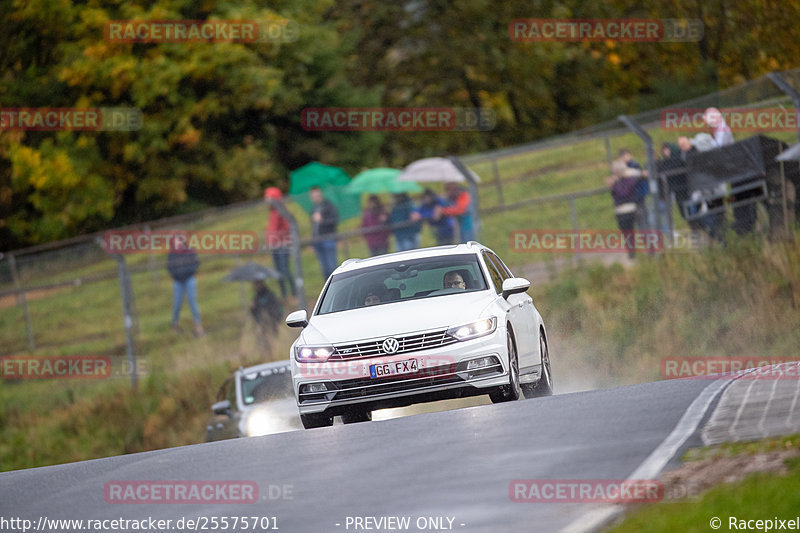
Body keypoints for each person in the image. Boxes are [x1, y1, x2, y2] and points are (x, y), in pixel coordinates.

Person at [605, 160, 645, 259]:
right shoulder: (619, 181)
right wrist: (613, 185)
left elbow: (623, 192)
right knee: (627, 234)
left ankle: (646, 251)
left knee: (636, 231)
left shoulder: (629, 180)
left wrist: (614, 185)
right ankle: (632, 253)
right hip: (620, 210)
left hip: (629, 209)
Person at [167, 234, 203, 336]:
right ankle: (175, 325)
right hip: (178, 281)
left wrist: (190, 272)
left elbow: (196, 263)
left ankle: (198, 325)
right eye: (175, 241)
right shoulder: (172, 254)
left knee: (192, 301)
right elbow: (169, 267)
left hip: (189, 279)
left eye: (178, 241)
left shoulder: (190, 251)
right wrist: (176, 275)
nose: (177, 243)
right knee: (177, 304)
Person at [264, 187, 295, 299]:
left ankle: (294, 293)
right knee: (278, 272)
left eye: (269, 198)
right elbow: (271, 229)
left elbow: (286, 229)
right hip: (275, 246)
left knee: (285, 270)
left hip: (283, 245)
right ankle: (284, 295)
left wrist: (277, 238)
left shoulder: (282, 211)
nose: (267, 201)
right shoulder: (272, 212)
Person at [309, 186, 339, 279]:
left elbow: (334, 220)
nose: (315, 197)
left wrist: (323, 220)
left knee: (331, 265)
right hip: (318, 240)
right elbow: (314, 228)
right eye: (313, 196)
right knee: (324, 268)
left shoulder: (328, 205)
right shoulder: (313, 209)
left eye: (317, 195)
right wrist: (313, 242)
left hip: (328, 238)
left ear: (320, 194)